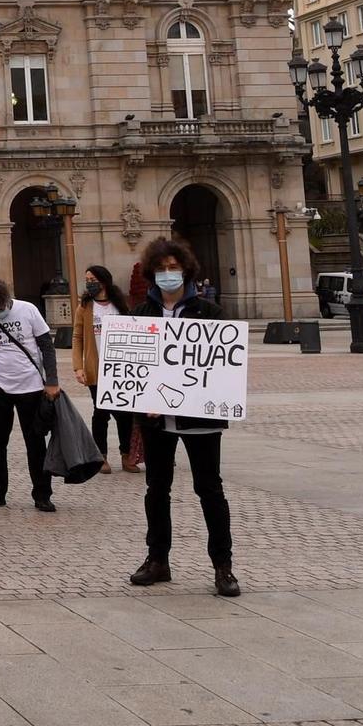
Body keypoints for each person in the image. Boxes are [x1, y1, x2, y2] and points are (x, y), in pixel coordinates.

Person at [130, 238, 240, 598]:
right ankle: (157, 559)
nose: (167, 274)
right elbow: (132, 367)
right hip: (155, 419)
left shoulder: (210, 312)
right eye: (161, 269)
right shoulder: (141, 314)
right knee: (156, 489)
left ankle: (223, 567)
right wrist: (140, 399)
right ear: (151, 273)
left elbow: (221, 369)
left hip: (200, 417)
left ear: (187, 270)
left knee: (210, 489)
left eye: (173, 268)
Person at [0, 277, 62, 513]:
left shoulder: (27, 310)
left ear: (8, 300)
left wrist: (52, 380)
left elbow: (46, 346)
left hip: (30, 386)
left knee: (36, 442)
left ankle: (42, 494)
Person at [71, 264, 138, 475]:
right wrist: (78, 367)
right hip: (97, 368)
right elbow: (77, 337)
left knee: (125, 414)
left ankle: (127, 455)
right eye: (87, 279)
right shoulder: (84, 307)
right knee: (101, 413)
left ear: (104, 280)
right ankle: (101, 456)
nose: (89, 283)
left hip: (121, 369)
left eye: (93, 279)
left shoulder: (121, 305)